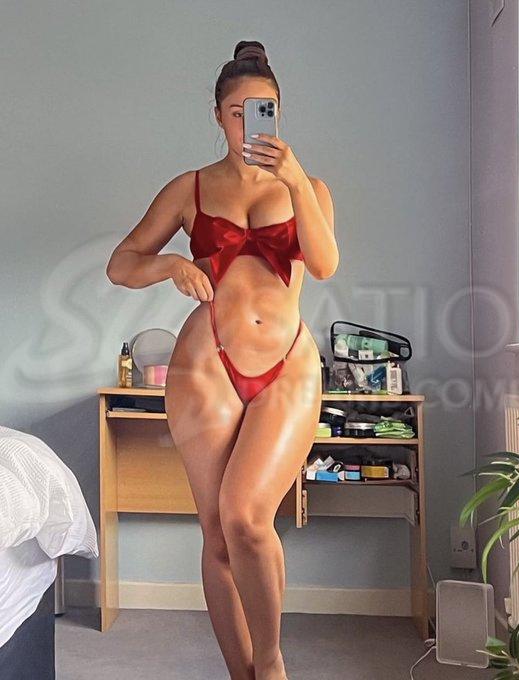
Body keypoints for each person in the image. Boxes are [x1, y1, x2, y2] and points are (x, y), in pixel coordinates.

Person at [106, 39, 338, 680]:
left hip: (286, 362)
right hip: (206, 362)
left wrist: (294, 179)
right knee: (217, 531)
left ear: (278, 113)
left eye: (264, 110)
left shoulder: (310, 186)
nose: (249, 124)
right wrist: (171, 264)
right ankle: (242, 674)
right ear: (217, 115)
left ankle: (271, 664)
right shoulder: (190, 188)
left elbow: (323, 264)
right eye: (238, 112)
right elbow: (121, 265)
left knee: (247, 517)